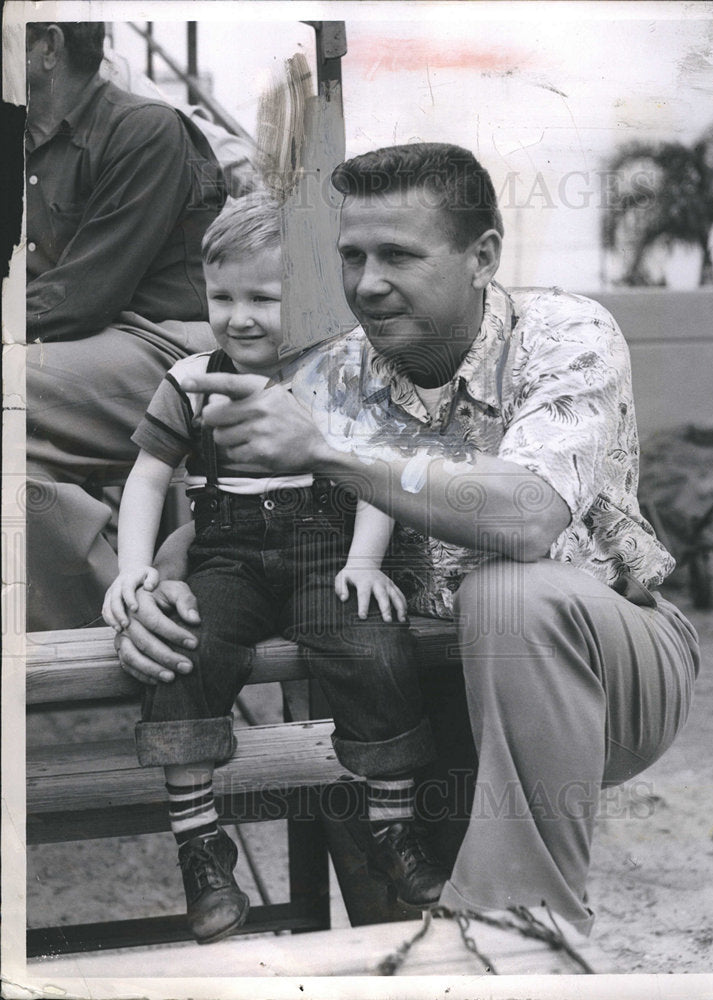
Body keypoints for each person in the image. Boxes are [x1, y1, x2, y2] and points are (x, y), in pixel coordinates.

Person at [115, 143, 700, 935]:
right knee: (405, 921)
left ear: (482, 256)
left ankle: (519, 929)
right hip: (419, 692)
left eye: (398, 255)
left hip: (600, 676)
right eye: (351, 256)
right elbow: (242, 510)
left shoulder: (563, 333)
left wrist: (328, 452)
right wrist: (162, 579)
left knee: (508, 590)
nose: (366, 282)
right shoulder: (331, 368)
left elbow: (526, 516)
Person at [102, 195, 449, 943]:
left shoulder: (341, 375)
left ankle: (393, 831)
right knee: (184, 654)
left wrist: (364, 561)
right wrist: (133, 569)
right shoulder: (192, 378)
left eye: (263, 297)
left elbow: (375, 472)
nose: (240, 316)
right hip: (227, 556)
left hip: (325, 551)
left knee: (372, 646)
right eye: (221, 297)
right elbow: (148, 477)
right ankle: (202, 847)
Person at [25, 21, 225, 630]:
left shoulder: (144, 128)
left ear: (49, 47)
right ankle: (133, 620)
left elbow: (82, 296)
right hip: (77, 355)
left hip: (169, 353)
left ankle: (134, 632)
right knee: (19, 481)